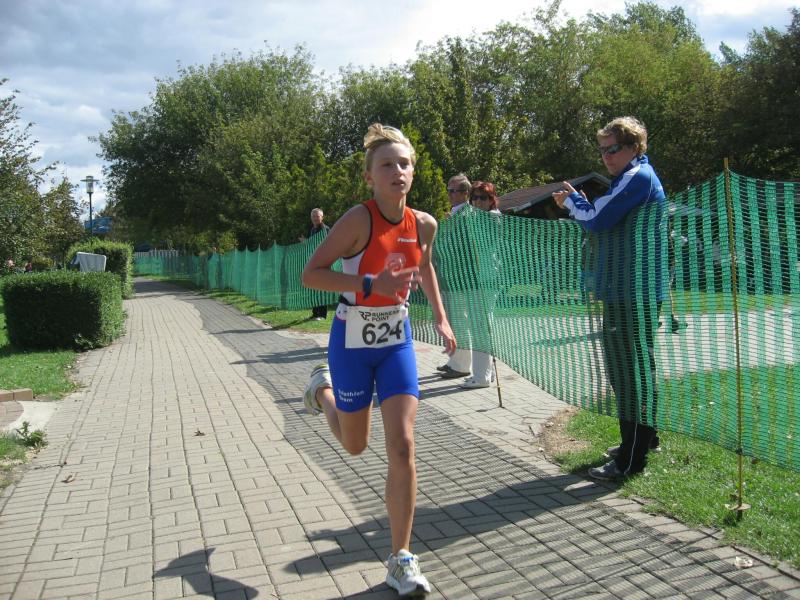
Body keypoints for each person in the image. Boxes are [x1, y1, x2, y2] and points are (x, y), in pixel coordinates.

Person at [301, 123, 456, 597]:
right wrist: (370, 285)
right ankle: (322, 392)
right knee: (354, 445)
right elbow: (312, 274)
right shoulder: (357, 221)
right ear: (370, 177)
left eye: (404, 164)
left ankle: (401, 559)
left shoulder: (424, 224)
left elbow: (425, 265)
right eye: (387, 165)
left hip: (395, 340)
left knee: (403, 446)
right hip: (351, 338)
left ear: (413, 173)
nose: (397, 171)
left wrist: (441, 317)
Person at [553, 116, 666, 480]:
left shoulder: (637, 177)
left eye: (613, 149)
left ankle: (630, 460)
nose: (606, 157)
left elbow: (596, 219)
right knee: (636, 368)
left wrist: (572, 201)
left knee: (627, 372)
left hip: (630, 292)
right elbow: (601, 218)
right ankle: (644, 440)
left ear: (634, 147)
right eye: (602, 150)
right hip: (630, 289)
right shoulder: (629, 178)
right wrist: (581, 205)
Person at [460, 181, 502, 389]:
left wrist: (467, 217)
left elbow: (483, 239)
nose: (477, 202)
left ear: (491, 200)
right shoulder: (475, 217)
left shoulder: (492, 217)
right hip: (477, 279)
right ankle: (487, 372)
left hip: (486, 280)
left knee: (480, 327)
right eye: (474, 198)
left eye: (483, 198)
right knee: (482, 326)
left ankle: (481, 377)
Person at [436, 173, 474, 379]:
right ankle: (454, 360)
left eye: (454, 191)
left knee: (460, 321)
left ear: (465, 193)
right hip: (449, 278)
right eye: (448, 190)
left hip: (461, 279)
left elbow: (464, 247)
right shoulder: (452, 214)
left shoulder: (468, 215)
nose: (449, 194)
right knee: (451, 321)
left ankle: (462, 365)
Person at [306, 208, 331, 320]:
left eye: (317, 216)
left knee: (322, 289)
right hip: (313, 263)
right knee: (314, 289)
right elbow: (312, 245)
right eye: (313, 216)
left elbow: (328, 245)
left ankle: (322, 314)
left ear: (322, 217)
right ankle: (315, 313)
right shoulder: (312, 230)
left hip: (323, 263)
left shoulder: (326, 230)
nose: (315, 218)